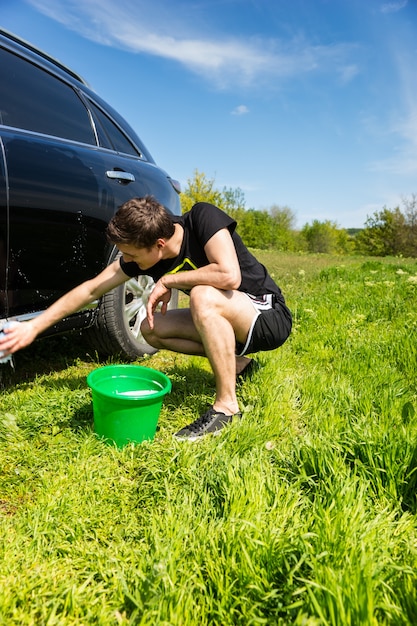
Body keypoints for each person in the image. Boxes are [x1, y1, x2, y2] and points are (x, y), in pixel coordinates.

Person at [0, 196, 292, 440]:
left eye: (132, 254)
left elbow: (229, 275)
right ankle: (239, 364)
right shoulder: (143, 254)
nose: (127, 260)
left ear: (160, 244)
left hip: (266, 316)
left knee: (203, 295)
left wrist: (168, 281)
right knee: (151, 329)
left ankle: (227, 408)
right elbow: (91, 289)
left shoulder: (202, 218)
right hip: (233, 321)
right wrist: (34, 326)